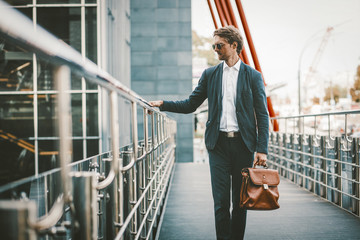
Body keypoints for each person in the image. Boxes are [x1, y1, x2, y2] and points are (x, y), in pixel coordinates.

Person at [149, 25, 269, 240]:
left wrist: (262, 149)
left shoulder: (253, 76)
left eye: (219, 45)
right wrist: (162, 104)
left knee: (241, 202)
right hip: (218, 145)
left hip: (244, 146)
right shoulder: (210, 74)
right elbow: (190, 104)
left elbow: (262, 114)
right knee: (221, 202)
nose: (215, 49)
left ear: (234, 46)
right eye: (214, 45)